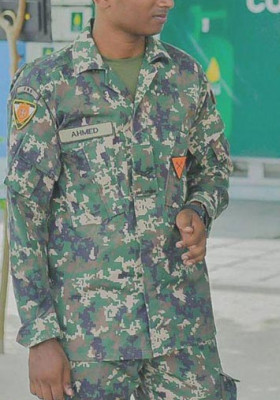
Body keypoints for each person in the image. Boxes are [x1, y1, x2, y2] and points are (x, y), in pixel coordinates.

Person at [5, 0, 235, 398]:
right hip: (90, 342)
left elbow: (213, 169)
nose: (168, 2)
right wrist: (40, 335)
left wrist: (199, 210)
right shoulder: (48, 84)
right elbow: (26, 213)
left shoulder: (185, 77)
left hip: (181, 330)